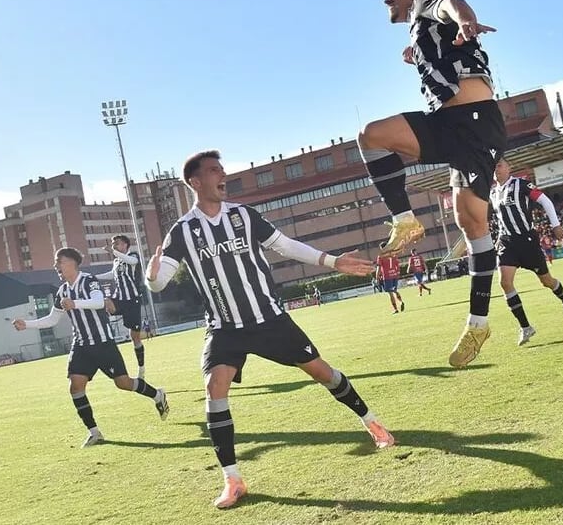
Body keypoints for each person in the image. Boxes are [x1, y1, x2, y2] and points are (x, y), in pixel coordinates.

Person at [145, 150, 393, 509]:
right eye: (215, 170)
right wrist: (151, 277)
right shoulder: (182, 231)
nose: (223, 174)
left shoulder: (244, 216)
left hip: (270, 319)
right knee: (215, 388)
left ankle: (372, 423)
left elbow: (286, 246)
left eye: (222, 169)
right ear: (196, 182)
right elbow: (160, 281)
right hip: (224, 328)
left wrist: (332, 260)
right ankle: (233, 480)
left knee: (323, 373)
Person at [359, 0, 507, 368]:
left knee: (473, 224)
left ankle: (478, 323)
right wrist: (421, 57)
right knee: (372, 136)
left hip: (475, 125)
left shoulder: (429, 1)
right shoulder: (421, 31)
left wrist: (464, 19)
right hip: (448, 123)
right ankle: (405, 220)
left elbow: (449, 3)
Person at [11, 248, 168, 448]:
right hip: (81, 346)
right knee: (75, 386)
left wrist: (75, 303)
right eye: (56, 262)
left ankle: (157, 395)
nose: (56, 265)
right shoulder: (62, 291)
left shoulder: (89, 281)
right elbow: (52, 319)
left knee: (123, 383)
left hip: (102, 343)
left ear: (72, 262)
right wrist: (28, 324)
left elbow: (97, 302)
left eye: (60, 261)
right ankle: (94, 432)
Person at [490, 157, 563, 346]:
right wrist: (498, 238)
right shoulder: (493, 193)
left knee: (546, 281)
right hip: (507, 243)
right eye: (493, 167)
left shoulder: (520, 184)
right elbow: (501, 219)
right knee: (505, 283)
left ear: (508, 167)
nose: (496, 169)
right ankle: (526, 327)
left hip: (527, 241)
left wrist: (555, 225)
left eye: (499, 165)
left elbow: (545, 201)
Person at [96, 234, 148, 378]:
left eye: (116, 243)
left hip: (132, 300)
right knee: (105, 301)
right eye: (113, 244)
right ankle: (103, 332)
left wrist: (113, 252)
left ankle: (141, 368)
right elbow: (112, 275)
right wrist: (94, 277)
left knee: (135, 337)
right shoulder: (117, 261)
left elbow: (132, 261)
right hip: (120, 298)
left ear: (125, 244)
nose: (114, 246)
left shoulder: (132, 256)